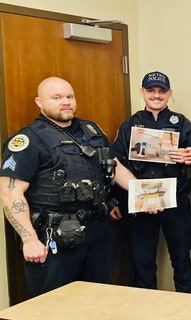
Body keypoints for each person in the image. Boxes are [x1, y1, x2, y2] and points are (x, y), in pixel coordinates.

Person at [0, 77, 137, 297]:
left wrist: (144, 193)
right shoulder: (28, 140)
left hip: (98, 231)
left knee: (98, 301)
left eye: (69, 96)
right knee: (53, 305)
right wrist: (29, 239)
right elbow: (9, 192)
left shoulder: (91, 130)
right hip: (55, 236)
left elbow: (114, 166)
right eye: (57, 97)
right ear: (39, 102)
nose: (66, 102)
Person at [110, 71, 191, 293]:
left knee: (182, 262)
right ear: (142, 92)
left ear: (170, 94)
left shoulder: (181, 123)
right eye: (151, 90)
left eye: (162, 91)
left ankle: (186, 310)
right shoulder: (130, 124)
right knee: (142, 264)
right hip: (141, 202)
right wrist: (111, 200)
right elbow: (113, 164)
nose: (156, 95)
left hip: (175, 201)